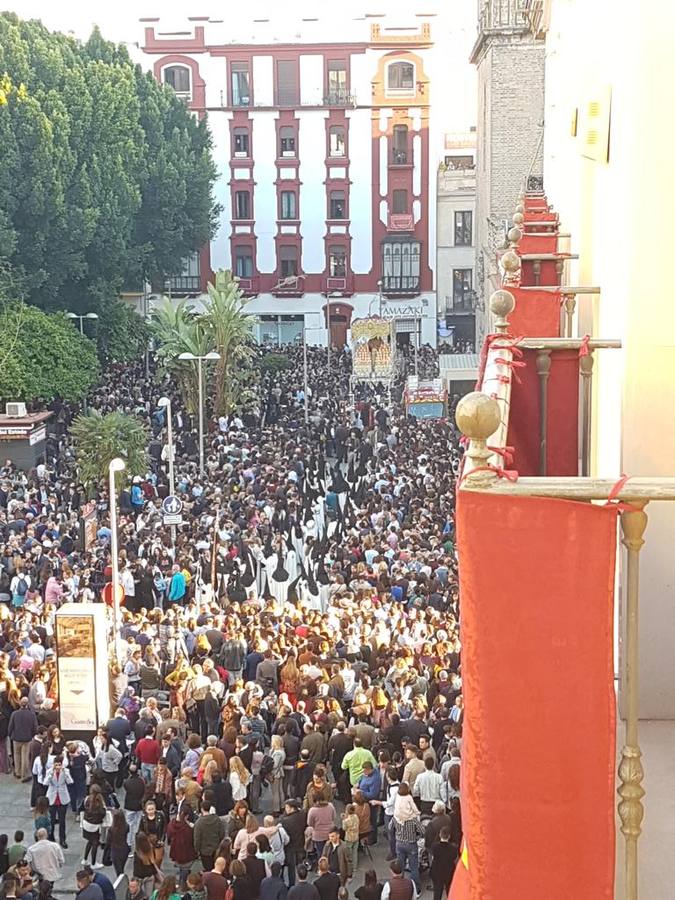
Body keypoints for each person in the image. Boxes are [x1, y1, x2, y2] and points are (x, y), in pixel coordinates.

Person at [44, 759, 72, 849]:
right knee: (51, 820)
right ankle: (51, 836)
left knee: (62, 820)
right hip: (52, 797)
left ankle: (62, 839)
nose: (58, 767)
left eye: (59, 764)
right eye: (56, 765)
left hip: (62, 798)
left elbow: (70, 782)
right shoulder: (49, 771)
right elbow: (45, 783)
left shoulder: (65, 771)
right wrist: (51, 774)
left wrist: (65, 772)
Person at [166, 808, 195, 889]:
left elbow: (168, 836)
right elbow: (192, 840)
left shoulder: (171, 825)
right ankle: (183, 883)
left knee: (180, 866)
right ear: (187, 816)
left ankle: (180, 880)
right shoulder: (188, 828)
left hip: (175, 850)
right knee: (185, 867)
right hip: (186, 852)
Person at [193, 801, 225, 873]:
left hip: (204, 851)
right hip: (216, 848)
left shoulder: (199, 823)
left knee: (207, 868)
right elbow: (222, 833)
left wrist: (196, 850)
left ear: (201, 809)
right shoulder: (217, 819)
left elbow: (197, 838)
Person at [81, 785, 107, 869]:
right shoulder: (99, 802)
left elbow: (82, 807)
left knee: (89, 841)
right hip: (94, 825)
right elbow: (103, 813)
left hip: (86, 823)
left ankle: (85, 859)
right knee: (95, 843)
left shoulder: (87, 799)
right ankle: (93, 863)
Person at [429, 827, 458, 900]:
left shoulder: (434, 846)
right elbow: (455, 859)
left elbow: (432, 857)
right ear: (449, 836)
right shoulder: (453, 848)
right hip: (449, 872)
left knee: (437, 892)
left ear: (440, 835)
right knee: (450, 891)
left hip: (436, 871)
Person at [105, 810, 130, 878]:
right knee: (122, 867)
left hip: (115, 851)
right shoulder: (126, 826)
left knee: (118, 871)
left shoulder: (111, 829)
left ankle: (121, 882)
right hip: (124, 849)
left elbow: (108, 842)